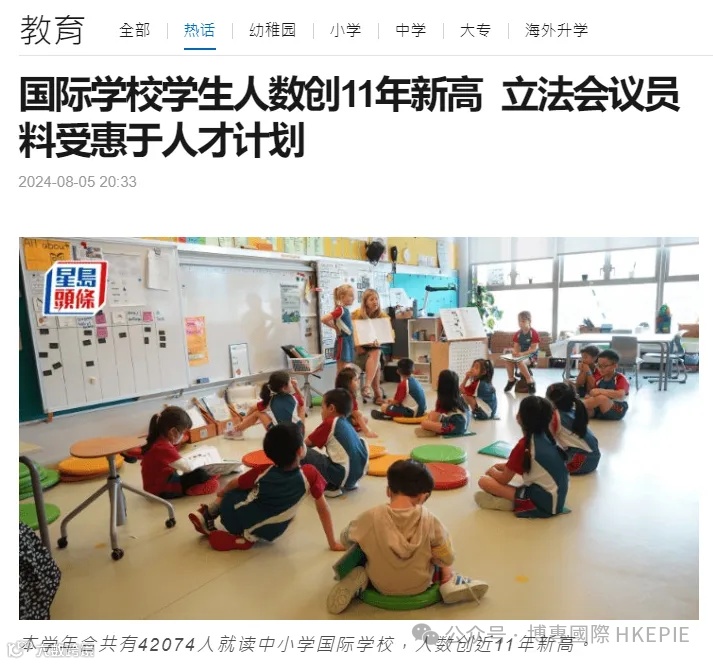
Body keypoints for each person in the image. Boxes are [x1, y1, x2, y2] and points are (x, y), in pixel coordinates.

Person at [326, 459, 489, 614]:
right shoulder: (431, 520)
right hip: (420, 584)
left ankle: (360, 578)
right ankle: (448, 580)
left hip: (380, 584)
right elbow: (448, 558)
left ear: (388, 491)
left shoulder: (371, 517)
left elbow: (345, 539)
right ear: (423, 496)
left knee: (363, 542)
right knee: (441, 551)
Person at [189, 423, 345, 552]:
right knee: (283, 511)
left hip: (232, 519)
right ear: (300, 451)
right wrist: (332, 542)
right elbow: (323, 509)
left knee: (234, 490)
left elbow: (234, 483)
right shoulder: (310, 474)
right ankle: (246, 538)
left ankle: (210, 512)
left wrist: (222, 493)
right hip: (273, 531)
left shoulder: (263, 471)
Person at [474, 396, 569, 518]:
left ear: (519, 417)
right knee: (516, 480)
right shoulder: (548, 438)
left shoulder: (524, 445)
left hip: (545, 505)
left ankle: (511, 504)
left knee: (484, 481)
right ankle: (515, 501)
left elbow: (503, 479)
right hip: (557, 499)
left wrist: (492, 470)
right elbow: (531, 466)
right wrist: (502, 466)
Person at [303, 388, 370, 498]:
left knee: (302, 451)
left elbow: (306, 444)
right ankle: (347, 483)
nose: (321, 411)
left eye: (322, 408)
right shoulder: (346, 422)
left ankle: (331, 486)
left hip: (342, 474)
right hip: (358, 474)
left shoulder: (330, 423)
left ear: (331, 408)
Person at [140, 406, 219, 498]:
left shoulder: (158, 441)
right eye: (183, 432)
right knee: (203, 475)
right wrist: (201, 460)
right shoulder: (163, 447)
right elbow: (188, 467)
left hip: (158, 484)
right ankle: (190, 490)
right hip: (161, 490)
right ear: (173, 432)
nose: (183, 436)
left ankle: (207, 478)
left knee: (207, 473)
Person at [228, 371, 305, 440]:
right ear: (284, 388)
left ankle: (236, 430)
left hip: (280, 438)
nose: (292, 383)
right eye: (290, 382)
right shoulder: (295, 398)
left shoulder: (270, 400)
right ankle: (299, 429)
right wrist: (296, 387)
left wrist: (244, 419)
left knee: (258, 413)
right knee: (301, 406)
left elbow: (252, 407)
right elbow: (302, 400)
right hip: (298, 435)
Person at [546, 382, 601, 475]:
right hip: (592, 457)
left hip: (583, 460)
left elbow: (547, 441)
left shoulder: (555, 417)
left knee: (542, 462)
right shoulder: (574, 410)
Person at [352, 288, 394, 405]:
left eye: (376, 299)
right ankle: (377, 394)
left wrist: (380, 341)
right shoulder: (357, 315)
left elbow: (390, 334)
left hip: (375, 349)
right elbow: (352, 333)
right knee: (377, 361)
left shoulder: (382, 316)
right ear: (365, 302)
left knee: (376, 353)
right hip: (360, 350)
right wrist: (357, 345)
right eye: (372, 299)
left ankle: (367, 386)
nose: (375, 302)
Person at [417, 369, 471, 438]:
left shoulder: (448, 398)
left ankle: (436, 428)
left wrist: (432, 423)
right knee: (432, 414)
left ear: (444, 386)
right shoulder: (452, 395)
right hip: (454, 419)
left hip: (456, 425)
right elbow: (438, 413)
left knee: (424, 423)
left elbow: (439, 415)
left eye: (438, 379)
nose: (437, 380)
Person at [582, 349, 630, 420]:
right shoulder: (599, 379)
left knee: (601, 398)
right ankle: (578, 412)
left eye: (605, 366)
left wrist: (600, 391)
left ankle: (577, 407)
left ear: (615, 366)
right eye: (599, 366)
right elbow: (594, 393)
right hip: (602, 408)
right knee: (588, 406)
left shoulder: (620, 378)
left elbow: (620, 394)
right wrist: (590, 396)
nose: (601, 369)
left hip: (618, 409)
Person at [321, 284, 356, 373]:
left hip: (348, 341)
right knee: (343, 370)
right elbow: (323, 319)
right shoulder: (340, 310)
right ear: (342, 297)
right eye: (351, 295)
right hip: (343, 342)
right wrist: (336, 328)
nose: (354, 298)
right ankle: (340, 382)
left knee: (345, 369)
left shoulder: (345, 310)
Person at [335, 366, 378, 438]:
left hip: (336, 420)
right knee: (362, 418)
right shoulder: (349, 397)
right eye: (355, 380)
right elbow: (357, 416)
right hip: (340, 422)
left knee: (363, 419)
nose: (358, 381)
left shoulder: (339, 392)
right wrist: (367, 431)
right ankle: (350, 428)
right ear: (347, 383)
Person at [504, 311, 540, 394]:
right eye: (519, 321)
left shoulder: (533, 333)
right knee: (507, 360)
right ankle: (511, 380)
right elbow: (516, 348)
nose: (520, 323)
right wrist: (513, 352)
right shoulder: (518, 334)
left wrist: (521, 354)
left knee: (519, 361)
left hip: (532, 356)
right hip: (522, 355)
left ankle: (530, 381)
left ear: (529, 321)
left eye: (523, 321)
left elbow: (534, 349)